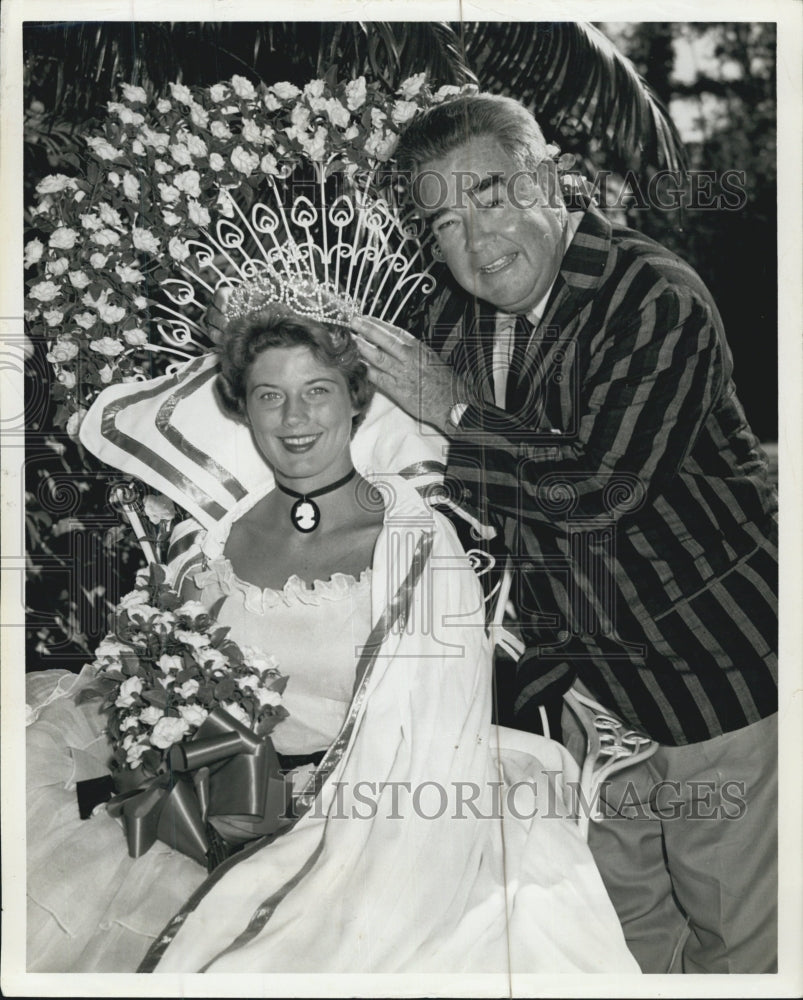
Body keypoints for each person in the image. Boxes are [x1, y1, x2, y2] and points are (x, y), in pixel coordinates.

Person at [26, 301, 640, 975]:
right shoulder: (209, 545)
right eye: (270, 396)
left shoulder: (413, 546)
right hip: (206, 814)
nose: (294, 421)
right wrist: (182, 776)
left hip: (388, 811)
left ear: (355, 400)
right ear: (241, 409)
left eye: (317, 392)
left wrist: (293, 808)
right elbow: (154, 689)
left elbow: (436, 736)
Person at [352, 93, 778, 974]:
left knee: (738, 937)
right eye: (443, 219)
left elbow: (600, 490)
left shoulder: (653, 294)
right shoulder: (456, 318)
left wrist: (451, 408)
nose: (474, 239)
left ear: (547, 178)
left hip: (712, 678)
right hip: (584, 698)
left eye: (494, 196)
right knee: (617, 937)